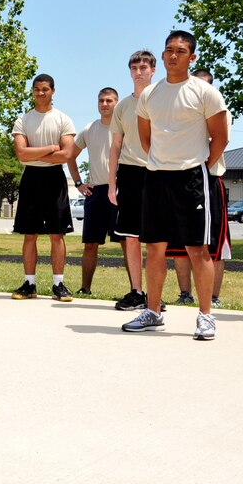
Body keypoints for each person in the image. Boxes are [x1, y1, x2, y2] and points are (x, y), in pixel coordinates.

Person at [122, 30, 228, 340]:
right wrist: (160, 161)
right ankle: (153, 312)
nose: (172, 55)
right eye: (168, 49)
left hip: (192, 178)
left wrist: (202, 167)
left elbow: (220, 138)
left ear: (191, 57)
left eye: (180, 51)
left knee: (198, 250)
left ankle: (206, 316)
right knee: (154, 248)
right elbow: (144, 138)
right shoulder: (151, 95)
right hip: (156, 177)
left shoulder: (205, 93)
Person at [166, 69, 232, 309]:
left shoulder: (220, 110)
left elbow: (219, 141)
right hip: (180, 180)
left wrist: (200, 168)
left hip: (210, 180)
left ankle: (213, 297)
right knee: (179, 243)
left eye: (205, 86)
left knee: (214, 245)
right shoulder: (179, 110)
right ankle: (185, 294)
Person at [11, 74, 76, 302]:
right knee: (30, 234)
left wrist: (34, 153)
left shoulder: (63, 120)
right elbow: (21, 154)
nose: (40, 93)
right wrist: (50, 148)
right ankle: (29, 283)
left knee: (57, 234)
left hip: (55, 180)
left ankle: (58, 284)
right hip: (31, 179)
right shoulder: (23, 120)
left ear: (53, 91)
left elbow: (67, 154)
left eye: (45, 89)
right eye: (37, 89)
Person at [108, 50, 158, 311]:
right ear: (130, 72)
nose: (139, 72)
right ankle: (137, 293)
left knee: (155, 239)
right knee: (130, 237)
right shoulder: (122, 106)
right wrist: (112, 182)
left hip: (158, 172)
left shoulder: (161, 99)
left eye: (144, 67)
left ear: (153, 70)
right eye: (135, 68)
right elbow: (115, 146)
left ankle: (155, 297)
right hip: (128, 173)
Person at [68, 88, 121, 296]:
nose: (105, 104)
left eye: (109, 100)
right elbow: (70, 156)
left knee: (127, 242)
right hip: (96, 192)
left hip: (118, 192)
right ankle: (85, 288)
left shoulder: (123, 128)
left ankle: (136, 291)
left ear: (116, 103)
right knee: (90, 244)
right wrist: (79, 183)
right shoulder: (89, 129)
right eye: (101, 100)